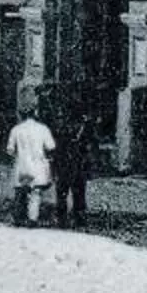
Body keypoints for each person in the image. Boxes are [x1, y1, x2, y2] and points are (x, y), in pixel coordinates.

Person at [6, 102, 58, 226]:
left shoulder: (16, 129)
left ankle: (18, 218)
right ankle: (32, 219)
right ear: (35, 113)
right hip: (37, 164)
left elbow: (10, 149)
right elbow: (51, 146)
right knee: (36, 192)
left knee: (20, 192)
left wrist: (18, 155)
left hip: (22, 164)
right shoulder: (42, 128)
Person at [49, 92, 92, 230]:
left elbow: (56, 148)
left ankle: (62, 219)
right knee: (79, 193)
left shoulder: (61, 128)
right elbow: (89, 147)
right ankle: (80, 219)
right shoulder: (84, 128)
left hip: (63, 165)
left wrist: (54, 166)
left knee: (61, 193)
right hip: (79, 165)